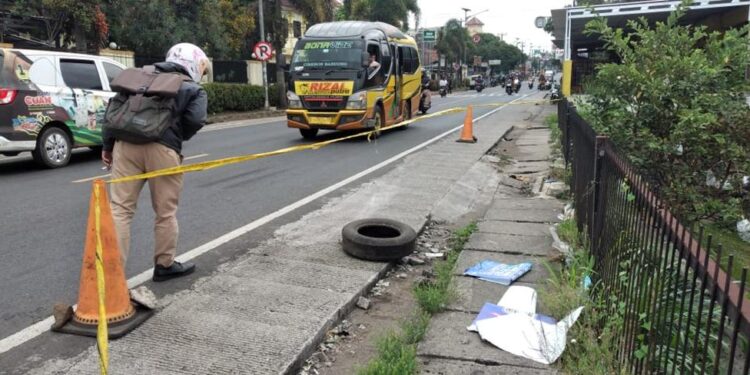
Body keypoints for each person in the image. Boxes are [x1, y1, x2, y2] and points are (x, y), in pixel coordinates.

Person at [102, 42, 209, 282]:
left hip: (124, 146)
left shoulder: (139, 77)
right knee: (165, 212)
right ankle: (164, 265)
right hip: (163, 150)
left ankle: (112, 275)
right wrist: (175, 137)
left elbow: (113, 112)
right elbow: (196, 119)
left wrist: (108, 146)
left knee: (120, 209)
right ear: (193, 64)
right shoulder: (191, 88)